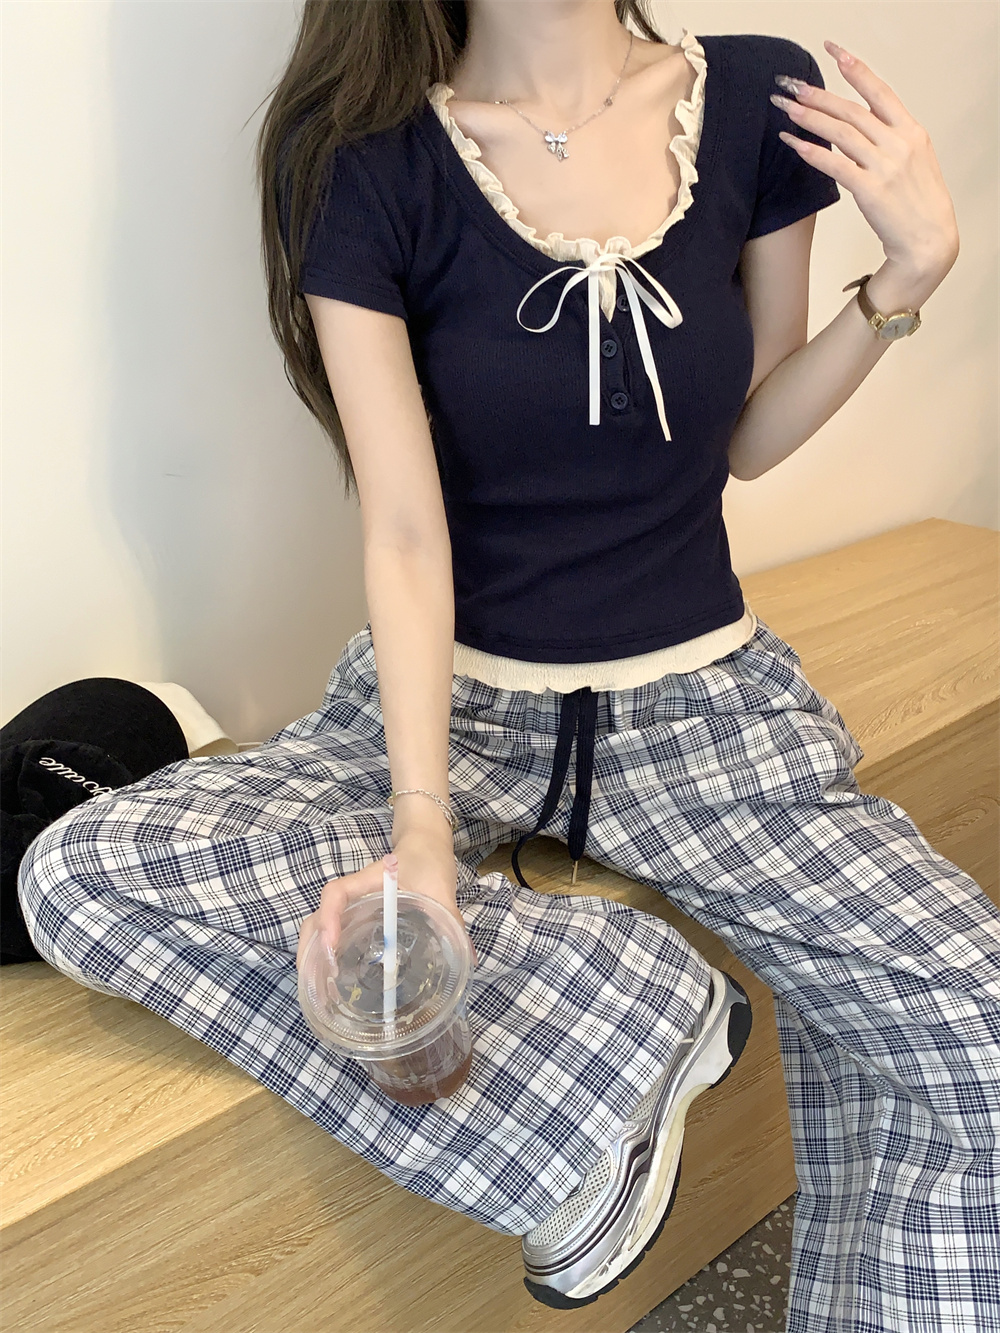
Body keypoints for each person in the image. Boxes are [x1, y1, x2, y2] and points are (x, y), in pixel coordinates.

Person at [16, 1, 998, 1328]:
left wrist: (906, 280)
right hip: (454, 704)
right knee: (79, 869)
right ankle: (627, 1016)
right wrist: (420, 828)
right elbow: (405, 531)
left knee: (971, 1021)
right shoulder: (370, 161)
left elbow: (748, 436)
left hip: (705, 713)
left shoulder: (755, 100)